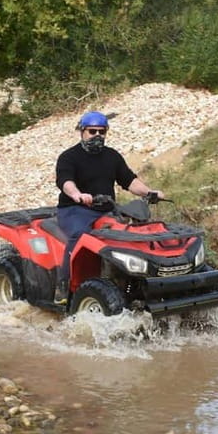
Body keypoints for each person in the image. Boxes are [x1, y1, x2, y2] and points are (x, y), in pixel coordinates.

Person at [53, 111, 164, 303]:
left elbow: (129, 181)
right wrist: (77, 195)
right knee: (79, 235)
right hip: (75, 210)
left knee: (133, 233)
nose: (97, 136)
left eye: (101, 132)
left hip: (106, 210)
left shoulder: (112, 156)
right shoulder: (69, 157)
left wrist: (149, 192)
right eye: (92, 131)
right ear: (82, 131)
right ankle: (63, 286)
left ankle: (137, 281)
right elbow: (65, 181)